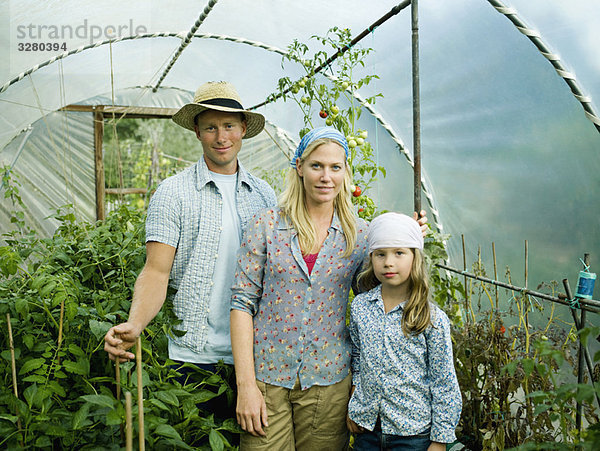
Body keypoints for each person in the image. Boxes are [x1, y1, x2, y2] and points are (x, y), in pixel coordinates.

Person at [229, 127, 427, 450]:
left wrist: (405, 238)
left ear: (346, 173)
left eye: (335, 167)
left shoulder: (359, 236)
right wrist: (246, 386)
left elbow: (380, 299)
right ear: (299, 167)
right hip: (266, 380)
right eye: (316, 166)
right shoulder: (266, 226)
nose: (326, 177)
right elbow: (241, 305)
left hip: (328, 384)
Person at [103, 81, 277, 423]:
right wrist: (135, 323)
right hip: (192, 356)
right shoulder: (173, 193)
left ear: (243, 129)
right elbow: (156, 271)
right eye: (211, 127)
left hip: (255, 356)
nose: (221, 136)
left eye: (228, 126)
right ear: (197, 131)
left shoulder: (264, 195)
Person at [346, 212, 462, 451]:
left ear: (415, 257)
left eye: (399, 253)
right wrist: (355, 406)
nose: (389, 262)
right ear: (371, 258)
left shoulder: (431, 318)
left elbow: (444, 382)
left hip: (412, 435)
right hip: (367, 431)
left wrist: (440, 440)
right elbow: (358, 360)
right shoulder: (360, 307)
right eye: (380, 254)